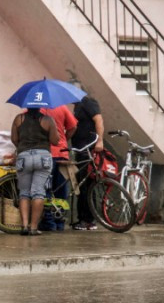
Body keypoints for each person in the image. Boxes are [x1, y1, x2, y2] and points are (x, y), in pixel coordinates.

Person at [11, 108, 59, 236]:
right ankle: (33, 227)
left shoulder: (18, 118)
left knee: (24, 193)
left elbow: (14, 139)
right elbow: (55, 140)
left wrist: (23, 147)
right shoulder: (48, 120)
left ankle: (24, 226)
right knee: (38, 193)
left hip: (23, 156)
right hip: (43, 157)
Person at [39, 105, 78, 232]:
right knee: (61, 190)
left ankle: (48, 223)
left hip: (45, 153)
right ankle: (59, 222)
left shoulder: (35, 108)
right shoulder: (62, 108)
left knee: (46, 189)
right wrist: (64, 140)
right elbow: (73, 127)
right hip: (62, 154)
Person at [71, 96, 104, 231]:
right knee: (81, 184)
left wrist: (99, 140)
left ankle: (88, 220)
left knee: (86, 185)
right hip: (80, 149)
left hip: (88, 149)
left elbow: (99, 119)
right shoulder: (78, 106)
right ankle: (82, 218)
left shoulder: (88, 102)